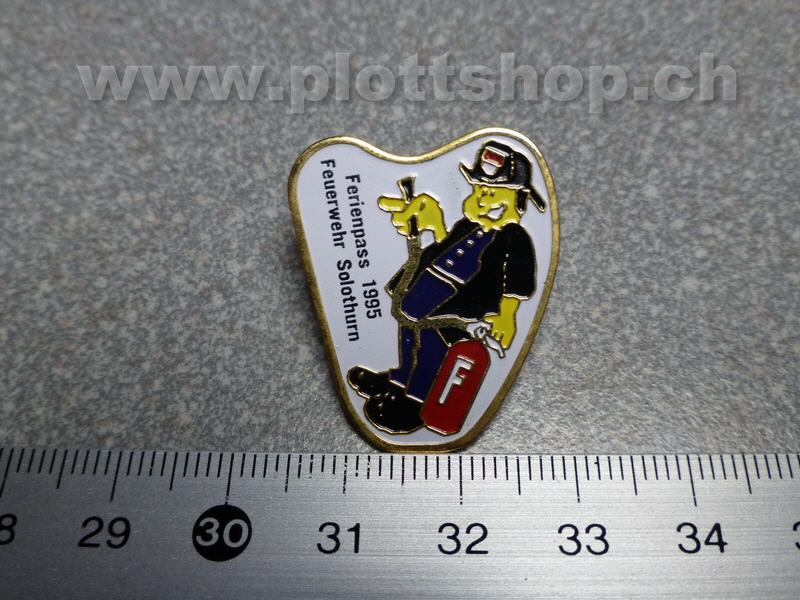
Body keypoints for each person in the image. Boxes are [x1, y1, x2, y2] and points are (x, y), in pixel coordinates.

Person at [348, 140, 546, 434]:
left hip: (460, 297)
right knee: (407, 328)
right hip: (428, 283)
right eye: (479, 190)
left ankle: (415, 400)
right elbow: (444, 245)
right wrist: (431, 225)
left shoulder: (514, 236)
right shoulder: (467, 225)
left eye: (493, 193)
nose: (482, 198)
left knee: (432, 340)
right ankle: (399, 381)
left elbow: (517, 279)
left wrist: (507, 315)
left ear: (518, 199)